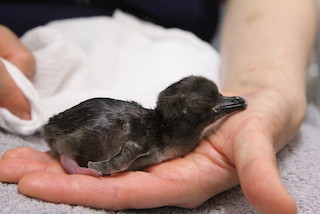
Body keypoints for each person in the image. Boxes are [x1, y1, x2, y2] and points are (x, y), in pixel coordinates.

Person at [0, 0, 316, 213]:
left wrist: (265, 83)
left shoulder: (163, 127)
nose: (226, 105)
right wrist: (103, 168)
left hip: (246, 53)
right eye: (212, 109)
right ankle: (70, 156)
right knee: (112, 131)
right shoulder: (150, 138)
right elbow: (127, 151)